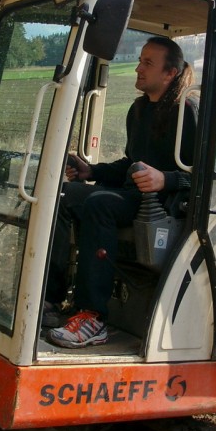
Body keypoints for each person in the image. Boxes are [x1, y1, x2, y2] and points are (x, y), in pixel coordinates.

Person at [45, 36, 198, 348]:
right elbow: (131, 163)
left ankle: (93, 317)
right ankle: (50, 300)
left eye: (148, 63)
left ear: (170, 73)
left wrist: (165, 180)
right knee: (63, 194)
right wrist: (92, 171)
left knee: (100, 204)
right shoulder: (140, 109)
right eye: (140, 61)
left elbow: (201, 177)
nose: (138, 69)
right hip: (133, 196)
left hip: (163, 206)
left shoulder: (188, 113)